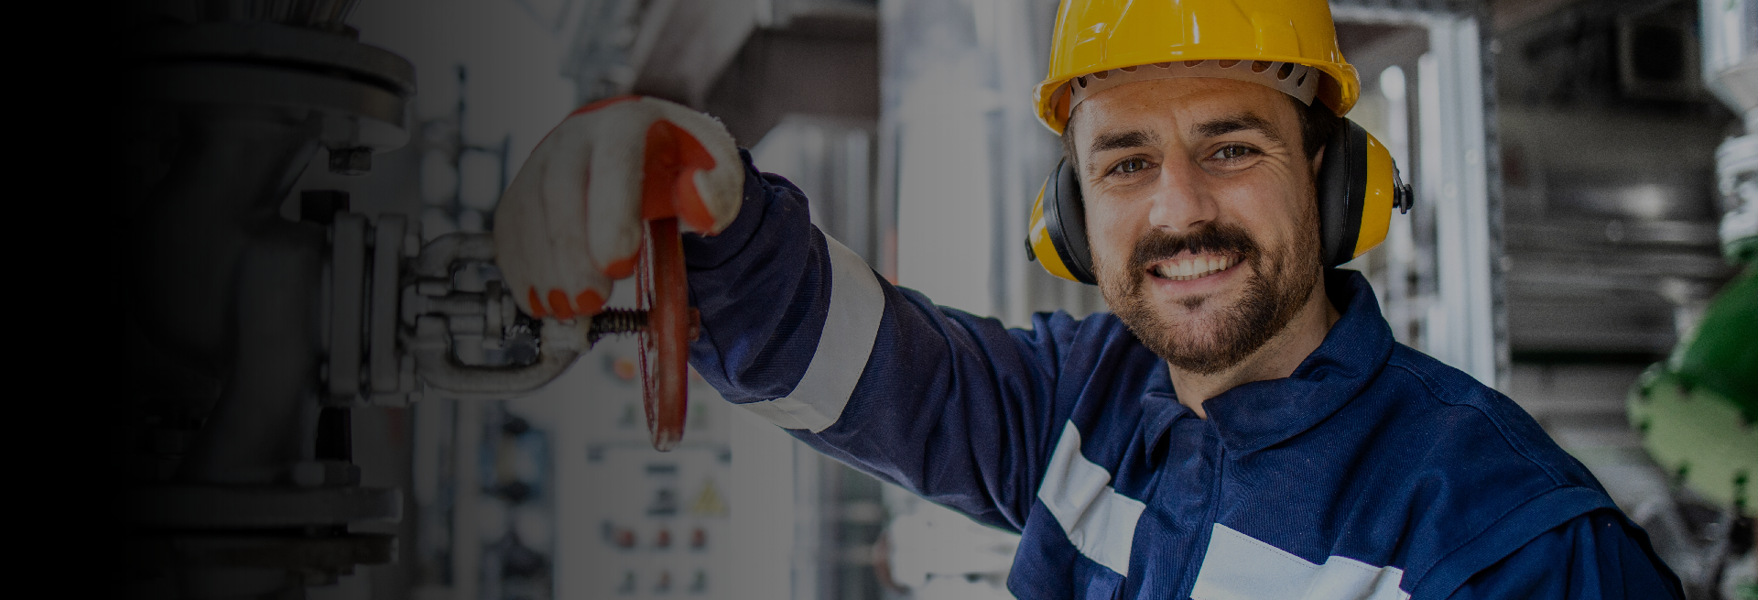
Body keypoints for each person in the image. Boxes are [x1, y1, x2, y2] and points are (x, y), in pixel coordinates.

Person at [493, 1, 1685, 597]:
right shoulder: (1087, 405)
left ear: (1336, 185)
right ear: (1069, 218)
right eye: (1125, 163)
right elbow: (848, 355)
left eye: (1231, 147)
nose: (1175, 212)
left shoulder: (1503, 537)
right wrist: (701, 187)